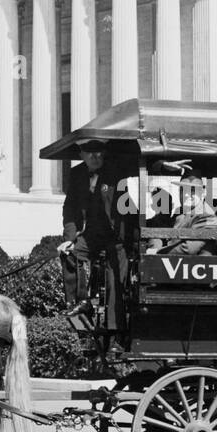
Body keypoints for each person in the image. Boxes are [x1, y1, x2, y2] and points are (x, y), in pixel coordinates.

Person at [58, 139, 129, 333]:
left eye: (98, 153)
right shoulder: (76, 173)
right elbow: (69, 207)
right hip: (91, 234)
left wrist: (160, 164)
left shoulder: (116, 170)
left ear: (104, 154)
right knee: (69, 253)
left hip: (117, 236)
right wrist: (69, 239)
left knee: (114, 280)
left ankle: (115, 332)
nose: (95, 157)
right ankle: (78, 303)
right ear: (81, 155)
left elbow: (140, 164)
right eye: (90, 154)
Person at [148, 172, 217, 254]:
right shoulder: (180, 212)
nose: (186, 194)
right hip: (175, 262)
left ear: (203, 193)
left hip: (196, 264)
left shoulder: (207, 215)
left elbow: (188, 248)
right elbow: (166, 236)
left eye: (192, 190)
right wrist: (155, 246)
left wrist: (157, 252)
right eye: (183, 190)